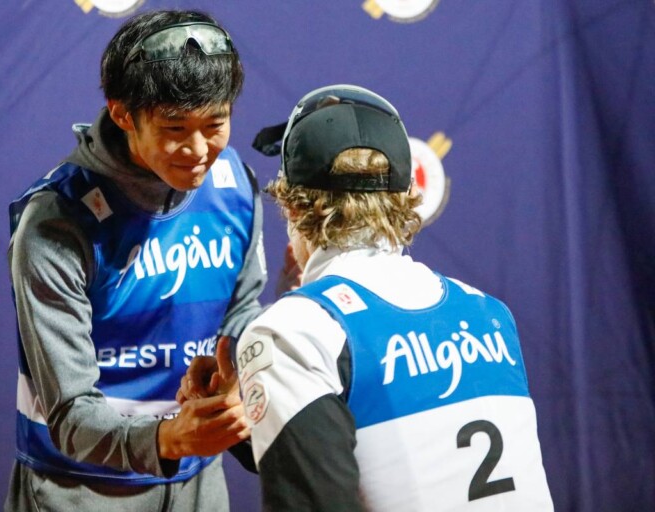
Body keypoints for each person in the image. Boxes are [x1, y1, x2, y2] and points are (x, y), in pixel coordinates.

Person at [181, 84, 554, 511]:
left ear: (294, 208)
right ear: (403, 198)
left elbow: (316, 500)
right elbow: (396, 462)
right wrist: (260, 417)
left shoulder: (292, 332)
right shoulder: (488, 313)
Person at [4, 9, 267, 512]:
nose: (197, 150)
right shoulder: (55, 221)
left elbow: (241, 313)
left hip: (199, 480)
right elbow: (69, 413)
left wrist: (237, 379)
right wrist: (169, 439)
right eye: (174, 128)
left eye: (215, 123)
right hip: (79, 486)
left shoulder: (235, 186)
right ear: (123, 113)